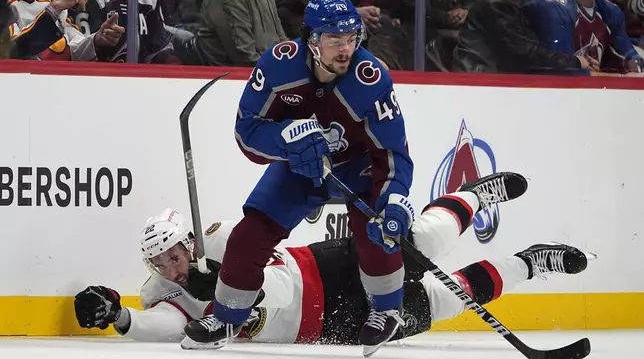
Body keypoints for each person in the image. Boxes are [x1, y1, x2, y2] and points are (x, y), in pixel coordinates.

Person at [74, 172, 595, 349]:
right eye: (160, 264)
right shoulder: (165, 296)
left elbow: (251, 265)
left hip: (326, 267)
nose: (172, 267)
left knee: (420, 244)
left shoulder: (217, 240)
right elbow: (160, 328)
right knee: (442, 299)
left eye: (173, 253)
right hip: (329, 324)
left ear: (186, 242)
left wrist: (221, 281)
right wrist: (118, 317)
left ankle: (476, 195)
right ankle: (532, 262)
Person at [193, 0, 415, 356]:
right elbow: (246, 132)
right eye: (334, 40)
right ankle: (228, 316)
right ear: (312, 40)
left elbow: (392, 153)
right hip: (301, 166)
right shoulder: (278, 66)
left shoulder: (371, 79)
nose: (346, 49)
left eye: (351, 38)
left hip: (358, 166)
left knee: (377, 231)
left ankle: (387, 310)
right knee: (252, 231)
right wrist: (285, 139)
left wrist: (392, 200)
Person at [451, 0, 598, 74]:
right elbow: (527, 55)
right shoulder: (494, 5)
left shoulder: (514, 6)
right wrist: (576, 62)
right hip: (476, 88)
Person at [523, 0, 644, 76]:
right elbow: (561, 73)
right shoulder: (554, 7)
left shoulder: (612, 12)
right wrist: (619, 78)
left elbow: (632, 60)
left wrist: (632, 67)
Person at [0, 0, 123, 61]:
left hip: (60, 84)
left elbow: (70, 46)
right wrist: (53, 9)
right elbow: (11, 53)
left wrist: (96, 40)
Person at [66, 0, 180, 63]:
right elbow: (73, 54)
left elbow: (156, 48)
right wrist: (97, 41)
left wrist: (175, 59)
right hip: (98, 83)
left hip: (140, 83)